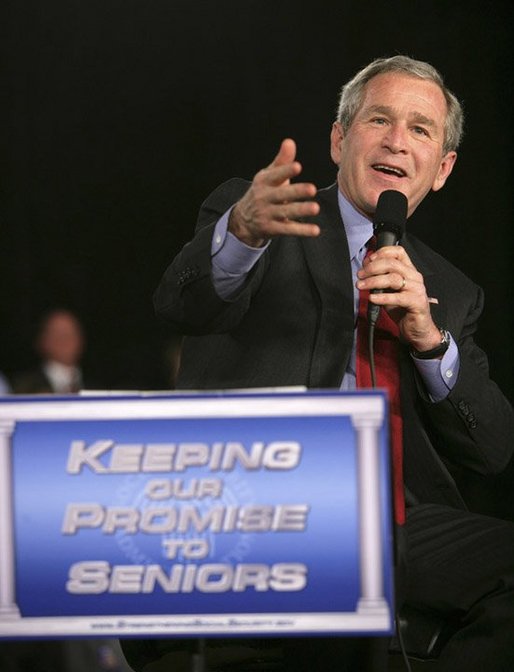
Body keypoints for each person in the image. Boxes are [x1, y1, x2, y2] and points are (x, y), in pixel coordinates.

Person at [125, 56, 514, 671]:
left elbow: (493, 448)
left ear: (441, 170)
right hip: (263, 503)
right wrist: (243, 234)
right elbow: (179, 301)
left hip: (397, 522)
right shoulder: (270, 215)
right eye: (378, 119)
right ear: (339, 139)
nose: (396, 140)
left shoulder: (451, 289)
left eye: (420, 129)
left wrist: (429, 339)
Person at [12, 308, 87, 394]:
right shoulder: (24, 387)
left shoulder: (95, 388)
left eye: (69, 334)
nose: (65, 341)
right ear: (42, 340)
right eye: (57, 334)